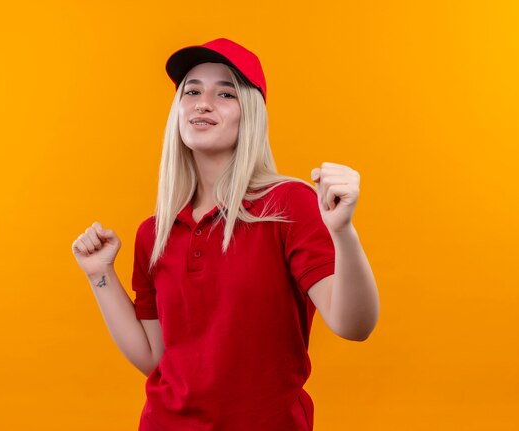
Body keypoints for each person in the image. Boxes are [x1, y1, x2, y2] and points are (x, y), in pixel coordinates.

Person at [72, 38, 379, 431]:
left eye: (225, 93)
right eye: (192, 91)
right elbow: (154, 357)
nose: (203, 102)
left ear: (249, 114)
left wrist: (344, 233)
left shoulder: (288, 205)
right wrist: (100, 274)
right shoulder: (155, 231)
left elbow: (355, 326)